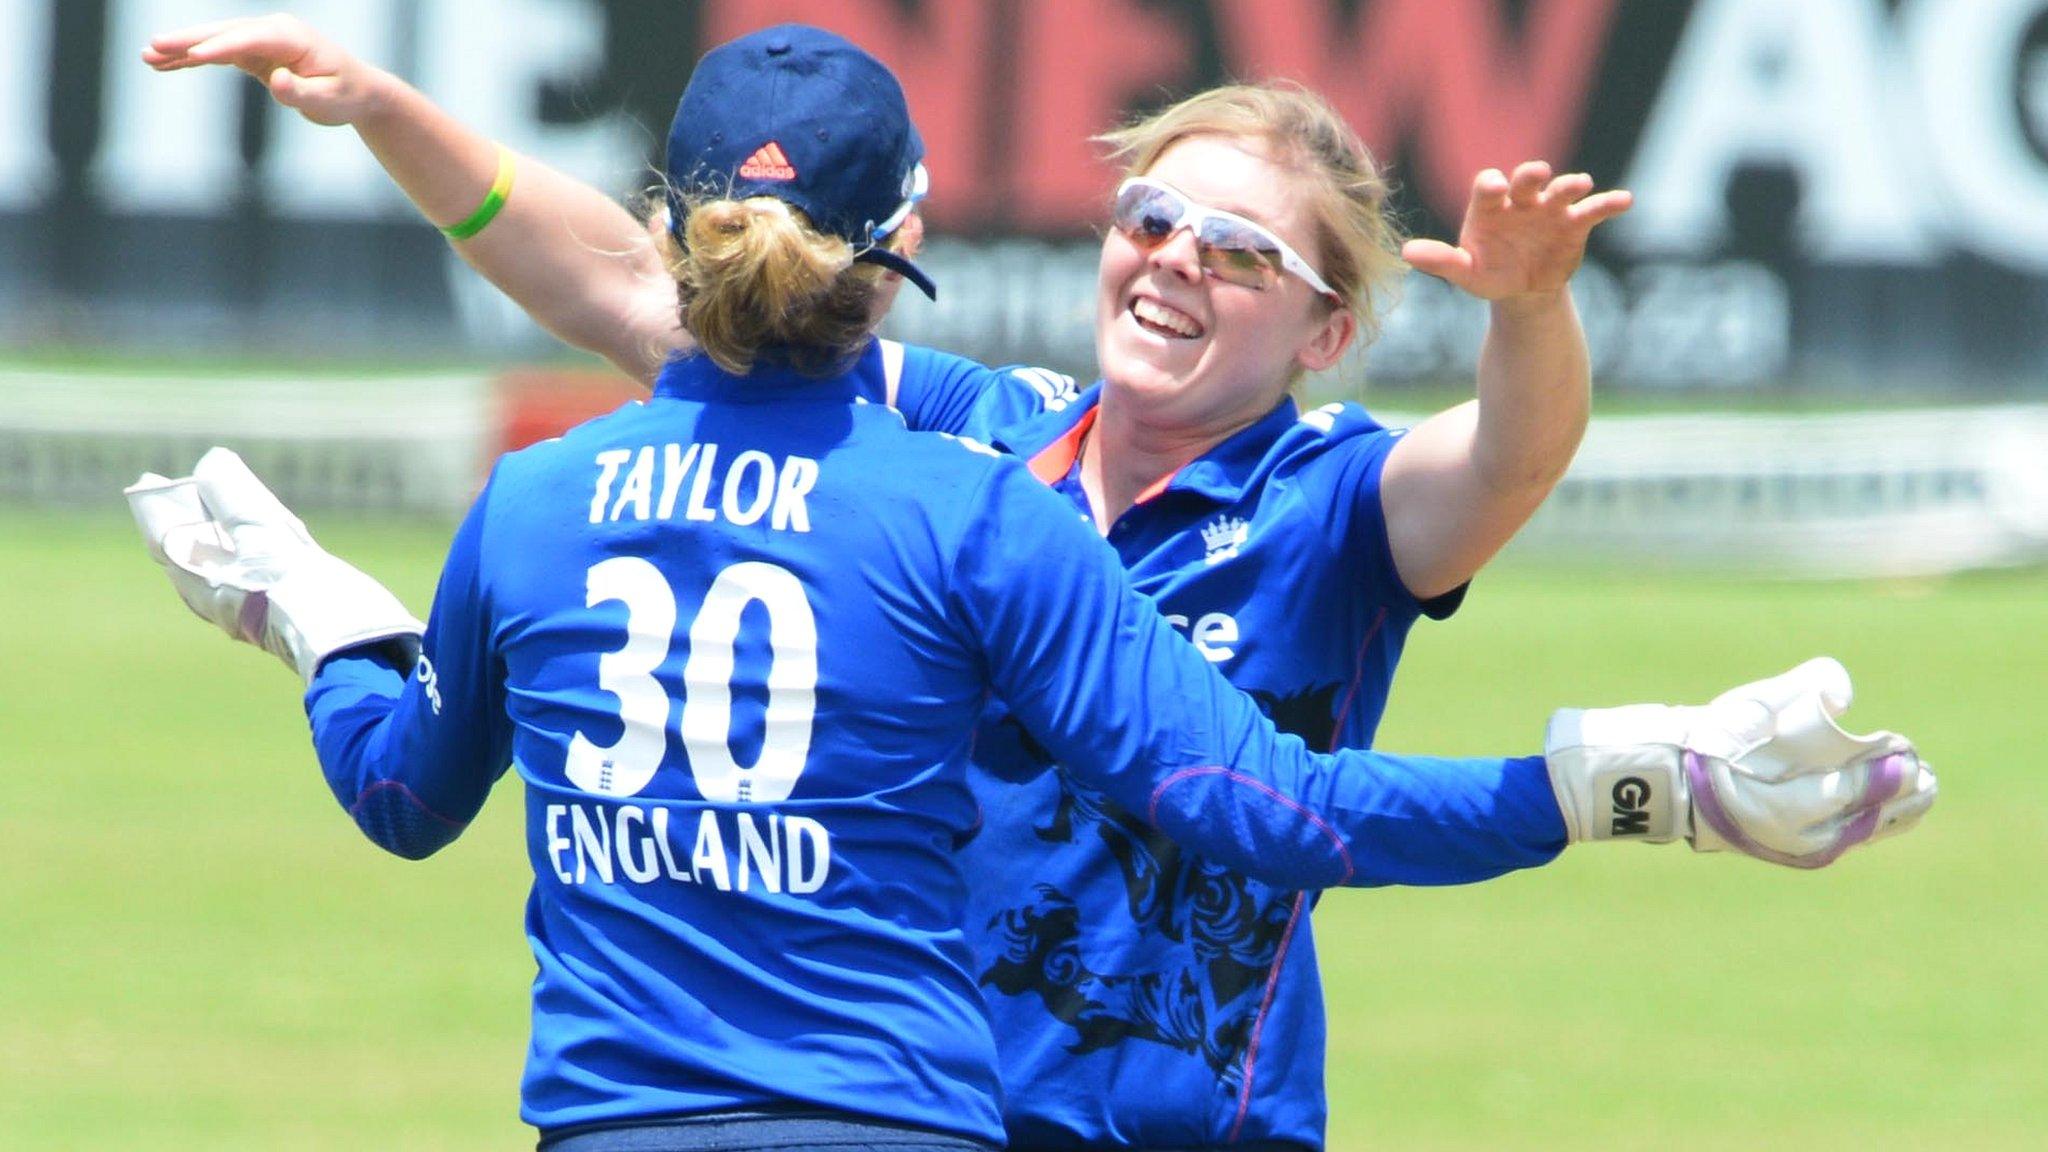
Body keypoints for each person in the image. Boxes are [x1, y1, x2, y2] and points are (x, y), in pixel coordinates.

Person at [139, 17, 1934, 1152]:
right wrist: (386, 113)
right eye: (1148, 221)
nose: (1170, 264)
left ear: (1329, 323)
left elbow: (1510, 464)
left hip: (1181, 1120)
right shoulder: (976, 448)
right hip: (941, 1101)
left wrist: (1532, 312)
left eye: (1237, 251)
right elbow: (648, 297)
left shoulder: (1332, 500)